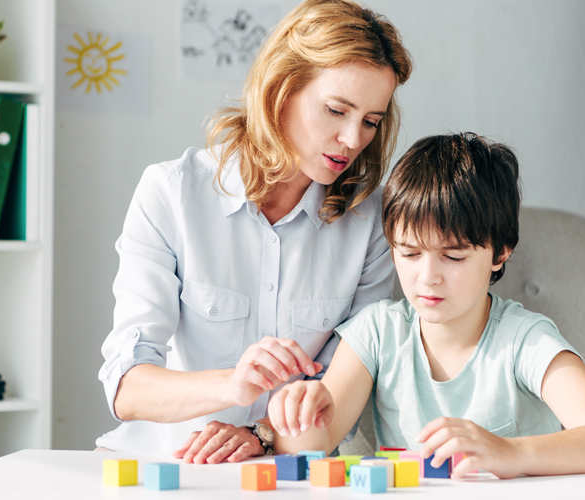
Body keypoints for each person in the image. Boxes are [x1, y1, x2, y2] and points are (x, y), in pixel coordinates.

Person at [95, 0, 412, 464]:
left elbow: (350, 375)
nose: (352, 140)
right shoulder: (170, 195)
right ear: (282, 89)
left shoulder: (370, 223)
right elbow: (127, 385)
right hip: (167, 465)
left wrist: (261, 433)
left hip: (289, 469)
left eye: (369, 122)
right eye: (335, 110)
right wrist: (231, 383)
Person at [268, 133, 585, 478]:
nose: (428, 276)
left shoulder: (524, 341)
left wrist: (510, 452)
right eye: (410, 253)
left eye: (453, 257)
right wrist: (298, 417)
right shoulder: (376, 332)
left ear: (500, 253)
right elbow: (307, 448)